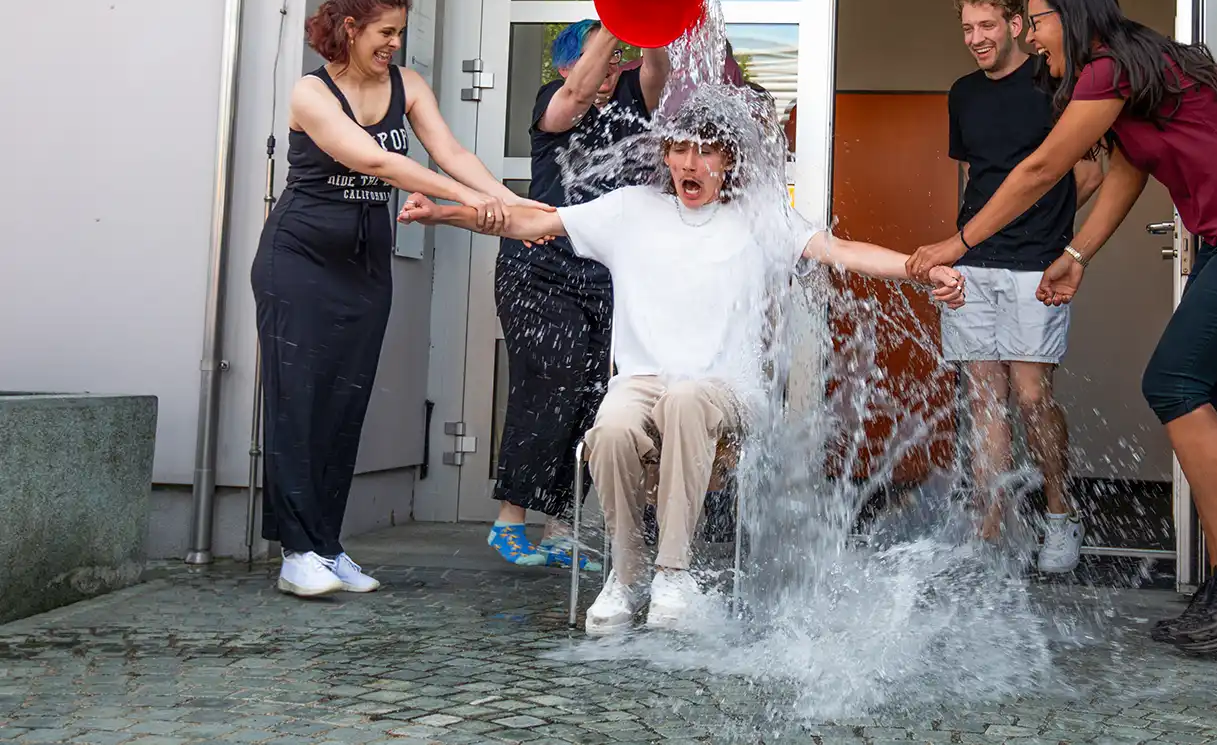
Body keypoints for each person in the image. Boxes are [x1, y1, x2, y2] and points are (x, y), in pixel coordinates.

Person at [400, 89, 966, 635]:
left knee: (688, 398)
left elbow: (841, 252)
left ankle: (673, 576)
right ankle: (625, 578)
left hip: (725, 391)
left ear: (729, 159)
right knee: (614, 425)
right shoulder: (631, 211)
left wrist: (921, 269)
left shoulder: (758, 219)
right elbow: (533, 222)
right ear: (665, 154)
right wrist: (446, 214)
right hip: (643, 383)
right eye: (679, 149)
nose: (689, 162)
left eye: (705, 150)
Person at [908, 0, 1217, 656]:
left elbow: (1043, 169)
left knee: (1173, 384)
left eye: (1037, 21)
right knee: (1205, 397)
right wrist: (1078, 253)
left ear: (1067, 18)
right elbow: (1132, 171)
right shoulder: (1138, 71)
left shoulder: (1108, 70)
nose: (1034, 37)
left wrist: (956, 242)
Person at [252, 0, 539, 598]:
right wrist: (471, 198)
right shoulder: (311, 92)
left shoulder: (407, 84)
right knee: (299, 402)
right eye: (384, 32)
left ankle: (326, 546)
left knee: (346, 404)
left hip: (365, 262)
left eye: (400, 33)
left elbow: (451, 153)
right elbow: (380, 161)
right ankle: (295, 551)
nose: (394, 45)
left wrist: (513, 206)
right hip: (299, 260)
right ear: (349, 27)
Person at [488, 20, 667, 570]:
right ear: (567, 67)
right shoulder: (555, 100)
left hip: (604, 274)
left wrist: (651, 12)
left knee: (596, 396)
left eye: (616, 65)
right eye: (597, 63)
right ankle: (508, 522)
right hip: (538, 268)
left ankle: (562, 528)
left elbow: (656, 67)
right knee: (548, 384)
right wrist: (614, 23)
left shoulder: (636, 94)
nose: (609, 75)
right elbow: (578, 95)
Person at [943, 0, 1104, 570]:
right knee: (984, 396)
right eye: (967, 28)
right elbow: (975, 180)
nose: (976, 38)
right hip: (973, 261)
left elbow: (1090, 172)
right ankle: (992, 525)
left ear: (1016, 25)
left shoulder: (1054, 85)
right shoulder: (962, 94)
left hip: (1036, 264)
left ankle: (1060, 513)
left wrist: (1052, 233)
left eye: (987, 25)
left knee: (1032, 395)